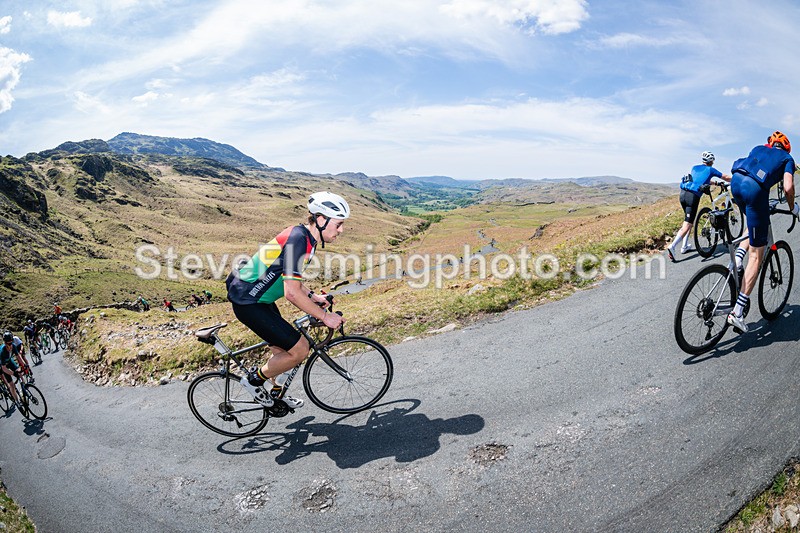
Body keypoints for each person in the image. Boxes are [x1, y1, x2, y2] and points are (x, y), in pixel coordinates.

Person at [226, 192, 349, 408]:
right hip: (248, 301)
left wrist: (314, 296)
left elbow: (291, 281)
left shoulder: (305, 238)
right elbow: (291, 293)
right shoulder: (299, 240)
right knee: (300, 349)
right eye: (338, 225)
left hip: (259, 299)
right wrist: (324, 317)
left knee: (283, 352)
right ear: (321, 219)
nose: (341, 230)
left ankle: (276, 396)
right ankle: (253, 381)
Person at [726, 131, 799, 333]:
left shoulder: (758, 148)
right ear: (786, 147)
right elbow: (788, 187)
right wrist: (793, 208)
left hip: (737, 183)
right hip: (754, 189)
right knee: (757, 257)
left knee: (752, 222)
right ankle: (738, 313)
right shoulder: (787, 159)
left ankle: (737, 260)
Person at [667, 151, 731, 261]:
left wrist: (715, 183)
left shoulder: (695, 167)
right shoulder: (711, 169)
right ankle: (672, 247)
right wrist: (737, 179)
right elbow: (725, 177)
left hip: (682, 194)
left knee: (688, 221)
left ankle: (684, 246)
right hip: (692, 197)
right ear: (711, 161)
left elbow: (700, 179)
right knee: (687, 224)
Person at [1, 331, 25, 407]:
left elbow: (18, 356)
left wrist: (24, 365)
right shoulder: (2, 352)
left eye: (11, 342)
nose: (10, 345)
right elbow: (4, 369)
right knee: (11, 384)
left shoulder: (13, 346)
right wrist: (13, 373)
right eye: (9, 343)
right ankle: (17, 401)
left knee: (20, 372)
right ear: (5, 343)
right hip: (3, 365)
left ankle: (24, 389)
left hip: (9, 361)